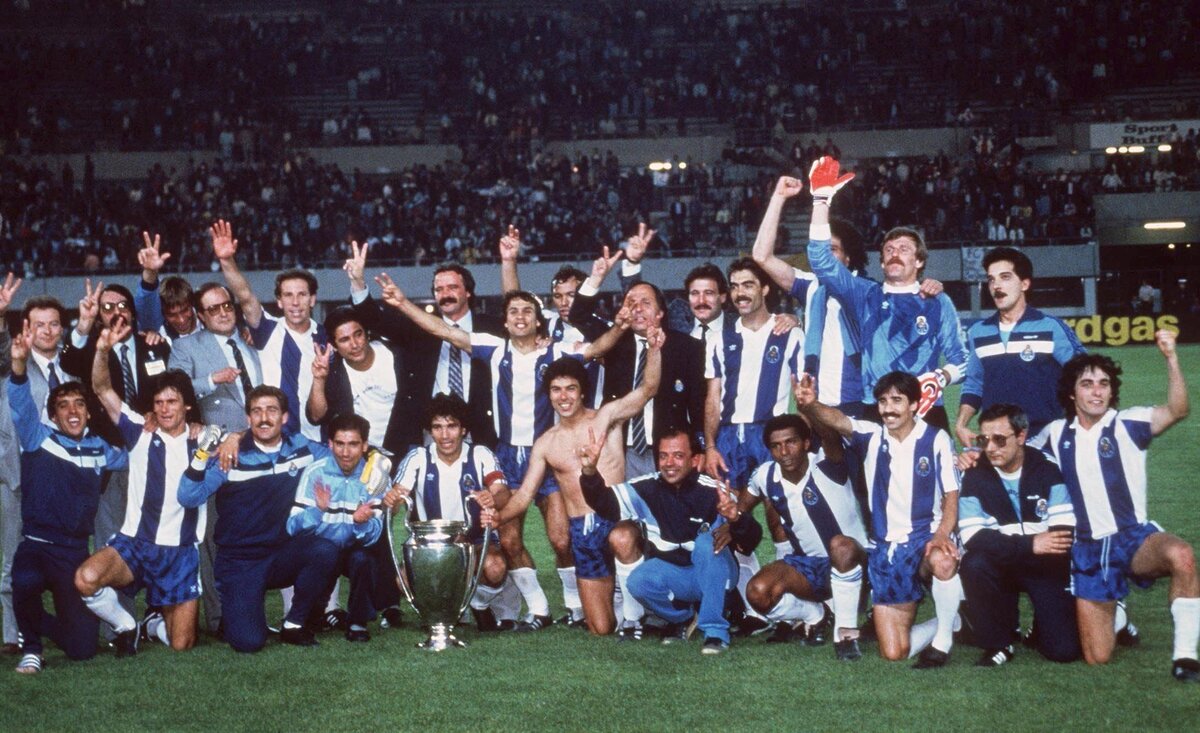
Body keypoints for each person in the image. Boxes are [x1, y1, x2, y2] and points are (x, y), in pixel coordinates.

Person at [377, 264, 626, 630]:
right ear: (505, 322)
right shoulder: (493, 348)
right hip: (507, 455)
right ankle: (539, 609)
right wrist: (402, 303)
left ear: (538, 321)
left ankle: (575, 607)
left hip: (546, 453)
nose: (520, 317)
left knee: (561, 538)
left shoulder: (556, 352)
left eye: (527, 311)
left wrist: (620, 325)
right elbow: (443, 329)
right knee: (508, 538)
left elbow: (598, 347)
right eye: (513, 312)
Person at [1033, 333, 1197, 681]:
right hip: (1088, 549)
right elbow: (1018, 456)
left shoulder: (1128, 423)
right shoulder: (1055, 433)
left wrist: (1171, 357)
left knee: (1181, 555)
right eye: (1087, 384)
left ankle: (1185, 656)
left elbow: (1178, 410)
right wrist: (972, 456)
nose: (1097, 392)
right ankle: (1118, 613)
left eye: (1104, 384)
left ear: (1111, 391)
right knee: (1098, 657)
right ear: (1072, 393)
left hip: (1133, 538)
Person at [489, 344, 663, 637]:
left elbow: (648, 389)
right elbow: (524, 495)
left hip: (617, 518)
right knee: (600, 628)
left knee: (621, 539)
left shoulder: (606, 418)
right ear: (549, 395)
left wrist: (654, 349)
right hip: (583, 530)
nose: (564, 397)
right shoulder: (546, 443)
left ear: (582, 392)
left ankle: (633, 618)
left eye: (571, 389)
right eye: (556, 390)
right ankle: (617, 594)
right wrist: (498, 517)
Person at [797, 370, 963, 668]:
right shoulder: (872, 436)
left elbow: (952, 494)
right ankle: (949, 621)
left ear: (914, 404)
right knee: (895, 652)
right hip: (887, 549)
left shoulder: (935, 439)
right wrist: (811, 404)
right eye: (883, 401)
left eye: (897, 400)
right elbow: (838, 420)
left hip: (924, 538)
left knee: (943, 560)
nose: (888, 409)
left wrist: (941, 534)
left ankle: (943, 642)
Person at [804, 157, 968, 433]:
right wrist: (821, 200)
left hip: (926, 409)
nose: (895, 254)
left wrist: (940, 377)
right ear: (881, 262)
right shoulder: (865, 295)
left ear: (919, 261)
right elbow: (821, 261)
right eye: (889, 250)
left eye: (904, 249)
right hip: (876, 408)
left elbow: (962, 360)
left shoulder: (937, 301)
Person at [74, 320, 205, 655]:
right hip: (135, 543)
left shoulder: (204, 439)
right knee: (86, 578)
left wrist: (230, 438)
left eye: (172, 402)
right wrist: (102, 350)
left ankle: (153, 624)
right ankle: (126, 625)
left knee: (181, 645)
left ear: (187, 405)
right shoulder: (139, 430)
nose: (164, 409)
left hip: (179, 551)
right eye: (158, 402)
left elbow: (245, 436)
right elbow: (102, 389)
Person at [6, 321, 128, 674]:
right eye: (63, 406)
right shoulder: (38, 438)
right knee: (24, 580)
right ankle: (32, 647)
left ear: (88, 411)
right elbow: (19, 403)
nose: (72, 412)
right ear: (53, 414)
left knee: (82, 649)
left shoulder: (101, 449)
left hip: (74, 552)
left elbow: (136, 455)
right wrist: (18, 365)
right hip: (37, 546)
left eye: (79, 405)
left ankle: (36, 622)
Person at [177, 386, 334, 652]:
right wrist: (204, 453)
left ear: (284, 417)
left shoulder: (300, 447)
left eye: (272, 411)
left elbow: (342, 458)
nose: (264, 418)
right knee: (249, 642)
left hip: (282, 554)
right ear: (248, 418)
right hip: (241, 560)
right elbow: (188, 497)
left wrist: (376, 460)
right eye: (257, 412)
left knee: (325, 550)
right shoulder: (231, 455)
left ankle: (295, 623)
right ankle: (238, 611)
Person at [578, 427, 763, 654]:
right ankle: (682, 619)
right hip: (677, 576)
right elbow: (606, 504)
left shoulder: (714, 492)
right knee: (638, 581)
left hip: (716, 575)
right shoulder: (646, 488)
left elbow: (752, 539)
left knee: (707, 543)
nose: (669, 463)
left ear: (694, 460)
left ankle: (715, 631)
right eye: (663, 456)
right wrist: (590, 472)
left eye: (678, 456)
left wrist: (736, 519)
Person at [167, 279, 264, 637]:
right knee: (213, 539)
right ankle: (219, 617)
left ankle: (249, 608)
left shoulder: (252, 344)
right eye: (213, 309)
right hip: (216, 455)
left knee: (251, 535)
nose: (223, 313)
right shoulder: (186, 346)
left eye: (226, 306)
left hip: (256, 452)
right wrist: (210, 379)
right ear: (201, 315)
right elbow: (173, 390)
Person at [346, 241, 505, 449]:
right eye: (439, 289)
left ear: (468, 292)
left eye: (452, 287)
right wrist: (358, 282)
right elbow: (375, 320)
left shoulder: (491, 328)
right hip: (429, 434)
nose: (445, 294)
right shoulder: (420, 327)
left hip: (482, 433)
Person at [957, 403, 1081, 666]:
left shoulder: (1047, 469)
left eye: (1000, 440)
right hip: (1002, 563)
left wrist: (1028, 547)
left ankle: (1042, 624)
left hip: (1045, 566)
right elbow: (973, 536)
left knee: (1063, 652)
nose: (991, 448)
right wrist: (1030, 544)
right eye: (984, 440)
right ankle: (998, 642)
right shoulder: (974, 474)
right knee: (974, 563)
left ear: (1021, 436)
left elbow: (1062, 534)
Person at [740, 413, 869, 660]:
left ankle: (845, 635)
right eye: (776, 446)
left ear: (806, 443)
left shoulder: (827, 463)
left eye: (791, 442)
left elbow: (831, 435)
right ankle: (817, 615)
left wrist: (809, 407)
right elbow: (741, 507)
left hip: (859, 562)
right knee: (758, 591)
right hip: (812, 568)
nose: (784, 452)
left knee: (840, 546)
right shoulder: (766, 475)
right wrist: (730, 520)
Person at [569, 248, 705, 480]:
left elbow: (697, 403)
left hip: (668, 449)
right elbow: (578, 316)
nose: (638, 308)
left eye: (645, 303)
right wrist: (597, 278)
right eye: (631, 302)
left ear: (660, 313)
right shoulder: (614, 339)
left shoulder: (687, 347)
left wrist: (699, 446)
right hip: (620, 447)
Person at [383, 394, 516, 631]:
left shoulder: (480, 454)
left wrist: (492, 498)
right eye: (437, 427)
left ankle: (478, 603)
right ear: (430, 431)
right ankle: (441, 612)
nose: (445, 435)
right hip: (431, 545)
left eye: (452, 426)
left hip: (474, 541)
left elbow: (502, 492)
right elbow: (398, 496)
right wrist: (392, 500)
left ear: (463, 429)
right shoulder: (418, 457)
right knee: (403, 582)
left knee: (495, 567)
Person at [955, 246, 1086, 447]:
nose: (996, 286)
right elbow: (974, 383)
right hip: (997, 442)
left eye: (1005, 277)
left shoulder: (1051, 327)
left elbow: (1084, 376)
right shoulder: (978, 332)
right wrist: (961, 424)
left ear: (1024, 284)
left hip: (1046, 440)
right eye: (991, 279)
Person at [211, 219, 327, 441]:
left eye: (302, 295)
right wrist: (227, 260)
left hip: (316, 439)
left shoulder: (326, 336)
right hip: (275, 439)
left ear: (312, 300)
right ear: (279, 301)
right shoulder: (268, 330)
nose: (295, 302)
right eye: (288, 295)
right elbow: (245, 296)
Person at [286, 414, 390, 643]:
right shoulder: (315, 472)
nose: (345, 452)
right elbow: (292, 527)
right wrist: (317, 511)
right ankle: (310, 613)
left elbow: (374, 536)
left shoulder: (376, 477)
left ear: (364, 446)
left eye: (353, 444)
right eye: (340, 444)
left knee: (364, 558)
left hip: (353, 547)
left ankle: (357, 621)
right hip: (320, 552)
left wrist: (361, 522)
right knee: (325, 551)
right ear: (330, 444)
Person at [0, 274, 26, 656]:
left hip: (44, 475)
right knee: (10, 557)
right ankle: (10, 632)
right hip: (11, 476)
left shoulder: (58, 367)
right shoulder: (9, 369)